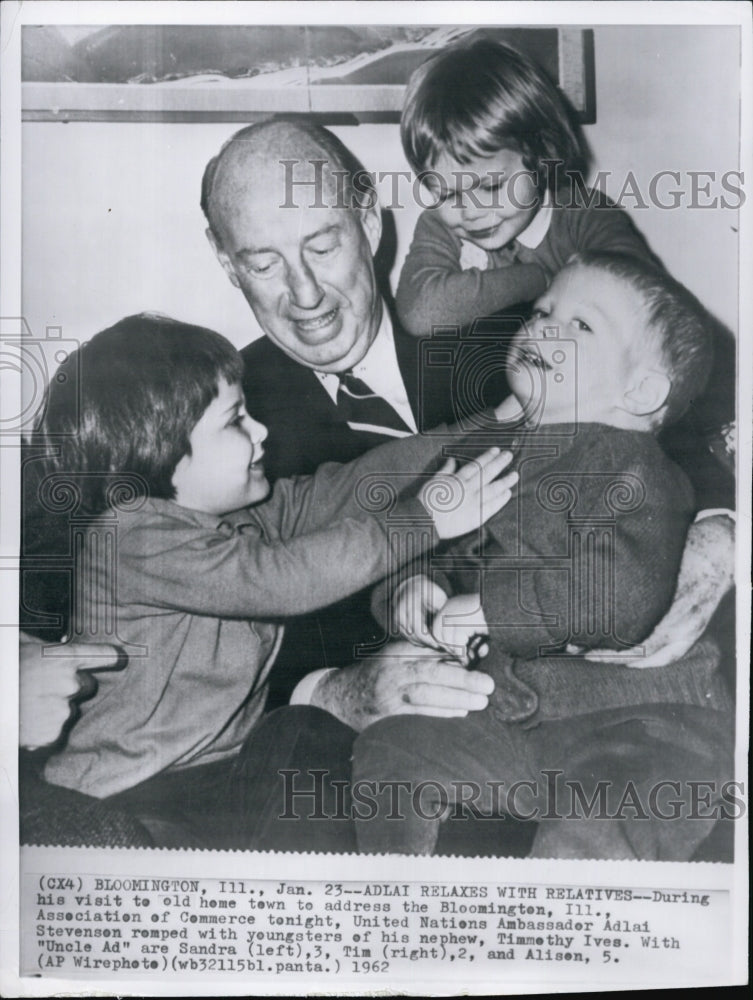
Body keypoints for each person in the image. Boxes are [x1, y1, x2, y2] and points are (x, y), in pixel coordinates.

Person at [36, 313, 516, 849]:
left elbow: (353, 485)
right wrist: (422, 521)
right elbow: (278, 579)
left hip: (218, 776)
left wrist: (494, 425)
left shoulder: (239, 518)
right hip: (129, 798)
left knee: (300, 735)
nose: (260, 429)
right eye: (235, 420)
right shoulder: (129, 537)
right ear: (160, 449)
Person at [353, 252, 734, 860]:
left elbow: (619, 596)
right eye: (542, 310)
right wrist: (410, 591)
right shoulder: (489, 449)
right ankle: (395, 913)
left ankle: (565, 941)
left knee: (599, 822)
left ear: (641, 391)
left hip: (646, 721)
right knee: (395, 751)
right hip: (521, 722)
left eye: (581, 325)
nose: (542, 327)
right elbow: (425, 540)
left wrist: (487, 610)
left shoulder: (633, 467)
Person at [395, 36, 655, 338]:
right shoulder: (440, 226)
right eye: (447, 193)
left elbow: (639, 301)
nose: (470, 211)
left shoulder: (584, 215)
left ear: (541, 156)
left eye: (491, 186)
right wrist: (535, 279)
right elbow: (421, 314)